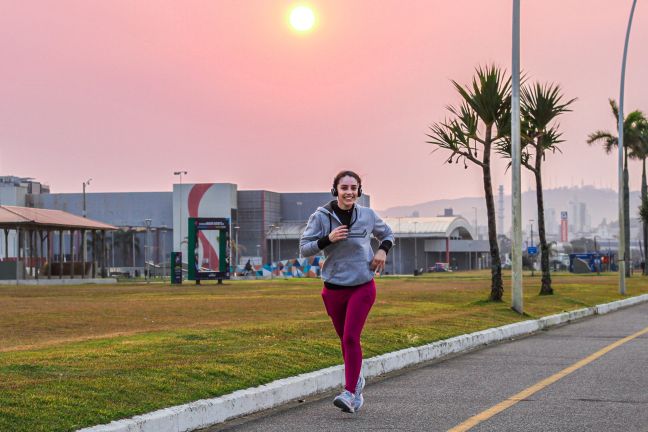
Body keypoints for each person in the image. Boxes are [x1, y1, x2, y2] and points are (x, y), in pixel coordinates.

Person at [300, 170, 394, 414]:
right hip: (333, 290)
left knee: (351, 338)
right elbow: (304, 249)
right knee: (345, 341)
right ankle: (357, 382)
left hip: (362, 286)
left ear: (359, 191)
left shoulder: (367, 215)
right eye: (345, 188)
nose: (349, 192)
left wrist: (382, 251)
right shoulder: (321, 217)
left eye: (354, 188)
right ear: (336, 191)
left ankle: (350, 393)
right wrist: (327, 239)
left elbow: (388, 234)